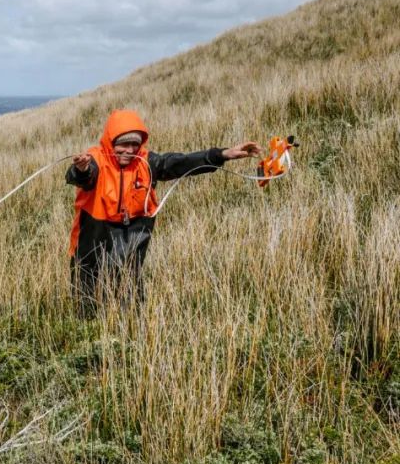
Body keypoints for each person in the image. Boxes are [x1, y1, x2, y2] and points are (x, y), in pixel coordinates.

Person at [66, 109, 260, 314]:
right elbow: (81, 177)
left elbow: (179, 162)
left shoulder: (146, 161)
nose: (129, 150)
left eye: (135, 144)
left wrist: (221, 155)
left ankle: (126, 335)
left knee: (129, 302)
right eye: (123, 143)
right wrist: (82, 170)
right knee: (85, 297)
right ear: (111, 141)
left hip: (132, 236)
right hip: (93, 236)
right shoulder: (95, 159)